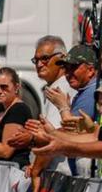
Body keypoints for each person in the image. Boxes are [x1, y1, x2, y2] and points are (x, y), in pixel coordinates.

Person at [15, 36, 73, 175]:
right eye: (36, 60)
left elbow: (51, 139)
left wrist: (36, 169)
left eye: (45, 58)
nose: (39, 64)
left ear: (62, 58)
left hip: (61, 175)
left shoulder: (60, 89)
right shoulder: (55, 86)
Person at [43, 44, 98, 176]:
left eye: (73, 67)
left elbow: (71, 133)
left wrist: (63, 108)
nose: (68, 73)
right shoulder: (85, 91)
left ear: (90, 70)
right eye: (66, 68)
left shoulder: (91, 93)